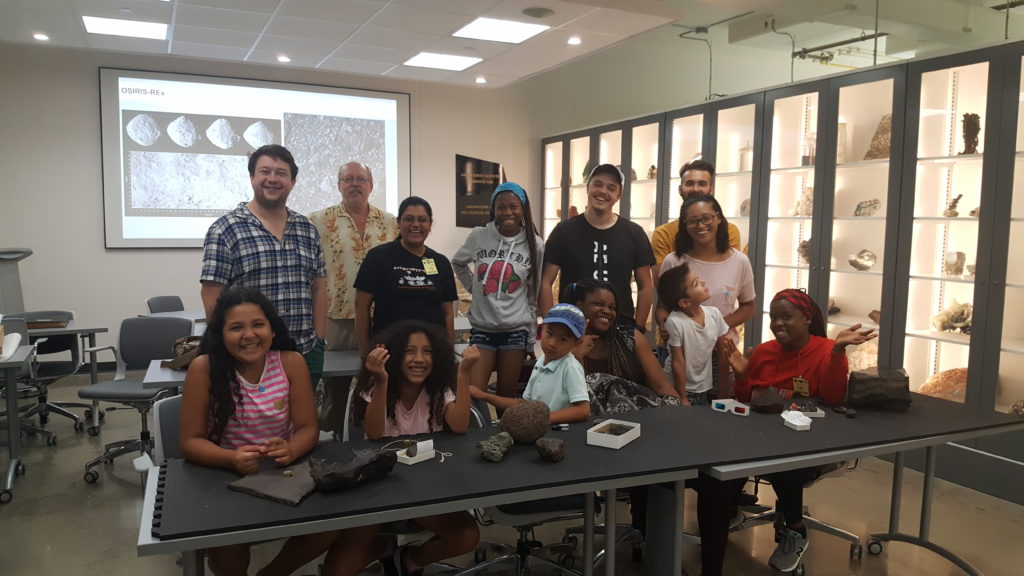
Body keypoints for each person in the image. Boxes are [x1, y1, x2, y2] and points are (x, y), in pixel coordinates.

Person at [179, 286, 340, 576]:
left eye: (258, 325)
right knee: (228, 551)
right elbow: (190, 442)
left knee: (328, 528)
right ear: (220, 333)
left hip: (284, 472)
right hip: (225, 476)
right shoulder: (204, 368)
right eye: (236, 327)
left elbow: (308, 429)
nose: (249, 335)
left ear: (272, 330)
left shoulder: (291, 362)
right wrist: (231, 459)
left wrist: (291, 449)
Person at [725, 288, 877, 572]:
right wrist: (743, 376)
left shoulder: (825, 349)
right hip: (762, 437)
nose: (778, 324)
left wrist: (838, 352)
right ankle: (729, 509)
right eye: (774, 318)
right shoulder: (764, 352)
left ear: (807, 318)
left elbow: (832, 398)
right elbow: (748, 400)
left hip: (811, 443)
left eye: (787, 317)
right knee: (729, 449)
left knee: (785, 461)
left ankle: (795, 531)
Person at [343, 321, 480, 576]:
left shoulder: (438, 390)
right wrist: (381, 380)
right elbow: (373, 433)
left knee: (466, 536)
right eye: (409, 351)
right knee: (340, 569)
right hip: (378, 494)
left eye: (427, 351)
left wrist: (463, 373)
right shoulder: (378, 386)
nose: (419, 359)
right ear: (393, 355)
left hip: (426, 492)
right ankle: (383, 546)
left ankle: (410, 559)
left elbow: (460, 426)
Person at [201, 144, 328, 388]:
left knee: (304, 422)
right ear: (252, 178)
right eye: (265, 172)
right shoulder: (225, 229)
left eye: (281, 173)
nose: (272, 179)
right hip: (249, 354)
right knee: (253, 425)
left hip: (305, 351)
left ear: (292, 182)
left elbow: (319, 288)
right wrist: (227, 345)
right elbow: (211, 294)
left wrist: (319, 341)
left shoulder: (307, 229)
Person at [309, 161, 398, 432]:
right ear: (339, 186)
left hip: (381, 318)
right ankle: (335, 434)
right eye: (348, 179)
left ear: (371, 186)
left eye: (361, 179)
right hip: (337, 318)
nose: (355, 184)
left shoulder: (390, 222)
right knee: (335, 386)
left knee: (379, 379)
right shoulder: (317, 221)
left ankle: (372, 431)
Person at [452, 182, 543, 406]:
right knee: (474, 395)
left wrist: (531, 339)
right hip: (483, 329)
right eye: (501, 207)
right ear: (493, 210)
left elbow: (533, 294)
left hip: (515, 331)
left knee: (505, 398)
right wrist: (475, 287)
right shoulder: (479, 236)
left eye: (513, 206)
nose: (507, 212)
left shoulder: (536, 245)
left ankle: (505, 439)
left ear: (523, 208)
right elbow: (458, 262)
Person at [657, 194, 756, 396]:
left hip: (721, 353)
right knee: (679, 412)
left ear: (718, 218)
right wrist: (665, 324)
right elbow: (662, 307)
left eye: (706, 218)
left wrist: (715, 326)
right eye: (692, 221)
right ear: (684, 225)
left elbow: (749, 307)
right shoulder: (673, 260)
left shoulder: (739, 262)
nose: (700, 225)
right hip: (681, 352)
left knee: (718, 411)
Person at [540, 164, 656, 329]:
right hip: (573, 328)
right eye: (598, 184)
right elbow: (546, 281)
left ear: (619, 195)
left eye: (611, 187)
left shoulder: (634, 233)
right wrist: (550, 326)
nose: (603, 191)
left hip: (619, 328)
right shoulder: (564, 231)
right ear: (587, 188)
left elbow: (645, 286)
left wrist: (638, 328)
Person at [353, 196, 457, 359]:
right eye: (409, 219)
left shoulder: (441, 262)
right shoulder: (377, 257)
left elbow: (448, 314)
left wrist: (449, 354)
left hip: (431, 351)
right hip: (389, 350)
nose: (416, 224)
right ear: (398, 223)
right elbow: (361, 307)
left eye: (422, 219)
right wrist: (366, 353)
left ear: (430, 225)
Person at [560, 278, 680, 404]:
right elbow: (571, 397)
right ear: (579, 305)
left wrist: (680, 411)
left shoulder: (631, 338)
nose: (607, 311)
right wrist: (576, 357)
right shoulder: (564, 345)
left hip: (638, 415)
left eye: (612, 307)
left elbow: (661, 386)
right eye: (599, 304)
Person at [470, 303, 590, 424]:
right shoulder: (541, 362)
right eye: (550, 333)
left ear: (576, 343)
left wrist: (542, 420)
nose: (552, 343)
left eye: (563, 339)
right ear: (542, 328)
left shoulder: (570, 367)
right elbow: (524, 405)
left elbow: (583, 410)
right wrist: (484, 396)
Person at [657, 263, 730, 405]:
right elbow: (678, 361)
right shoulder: (675, 322)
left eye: (698, 278)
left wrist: (723, 391)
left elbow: (723, 353)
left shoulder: (714, 314)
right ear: (684, 302)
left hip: (703, 386)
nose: (703, 282)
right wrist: (682, 397)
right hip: (677, 387)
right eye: (696, 283)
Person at [650, 160, 741, 269]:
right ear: (680, 190)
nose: (695, 189)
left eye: (702, 184)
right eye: (689, 183)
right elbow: (664, 281)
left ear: (711, 189)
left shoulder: (729, 231)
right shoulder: (663, 234)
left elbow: (731, 273)